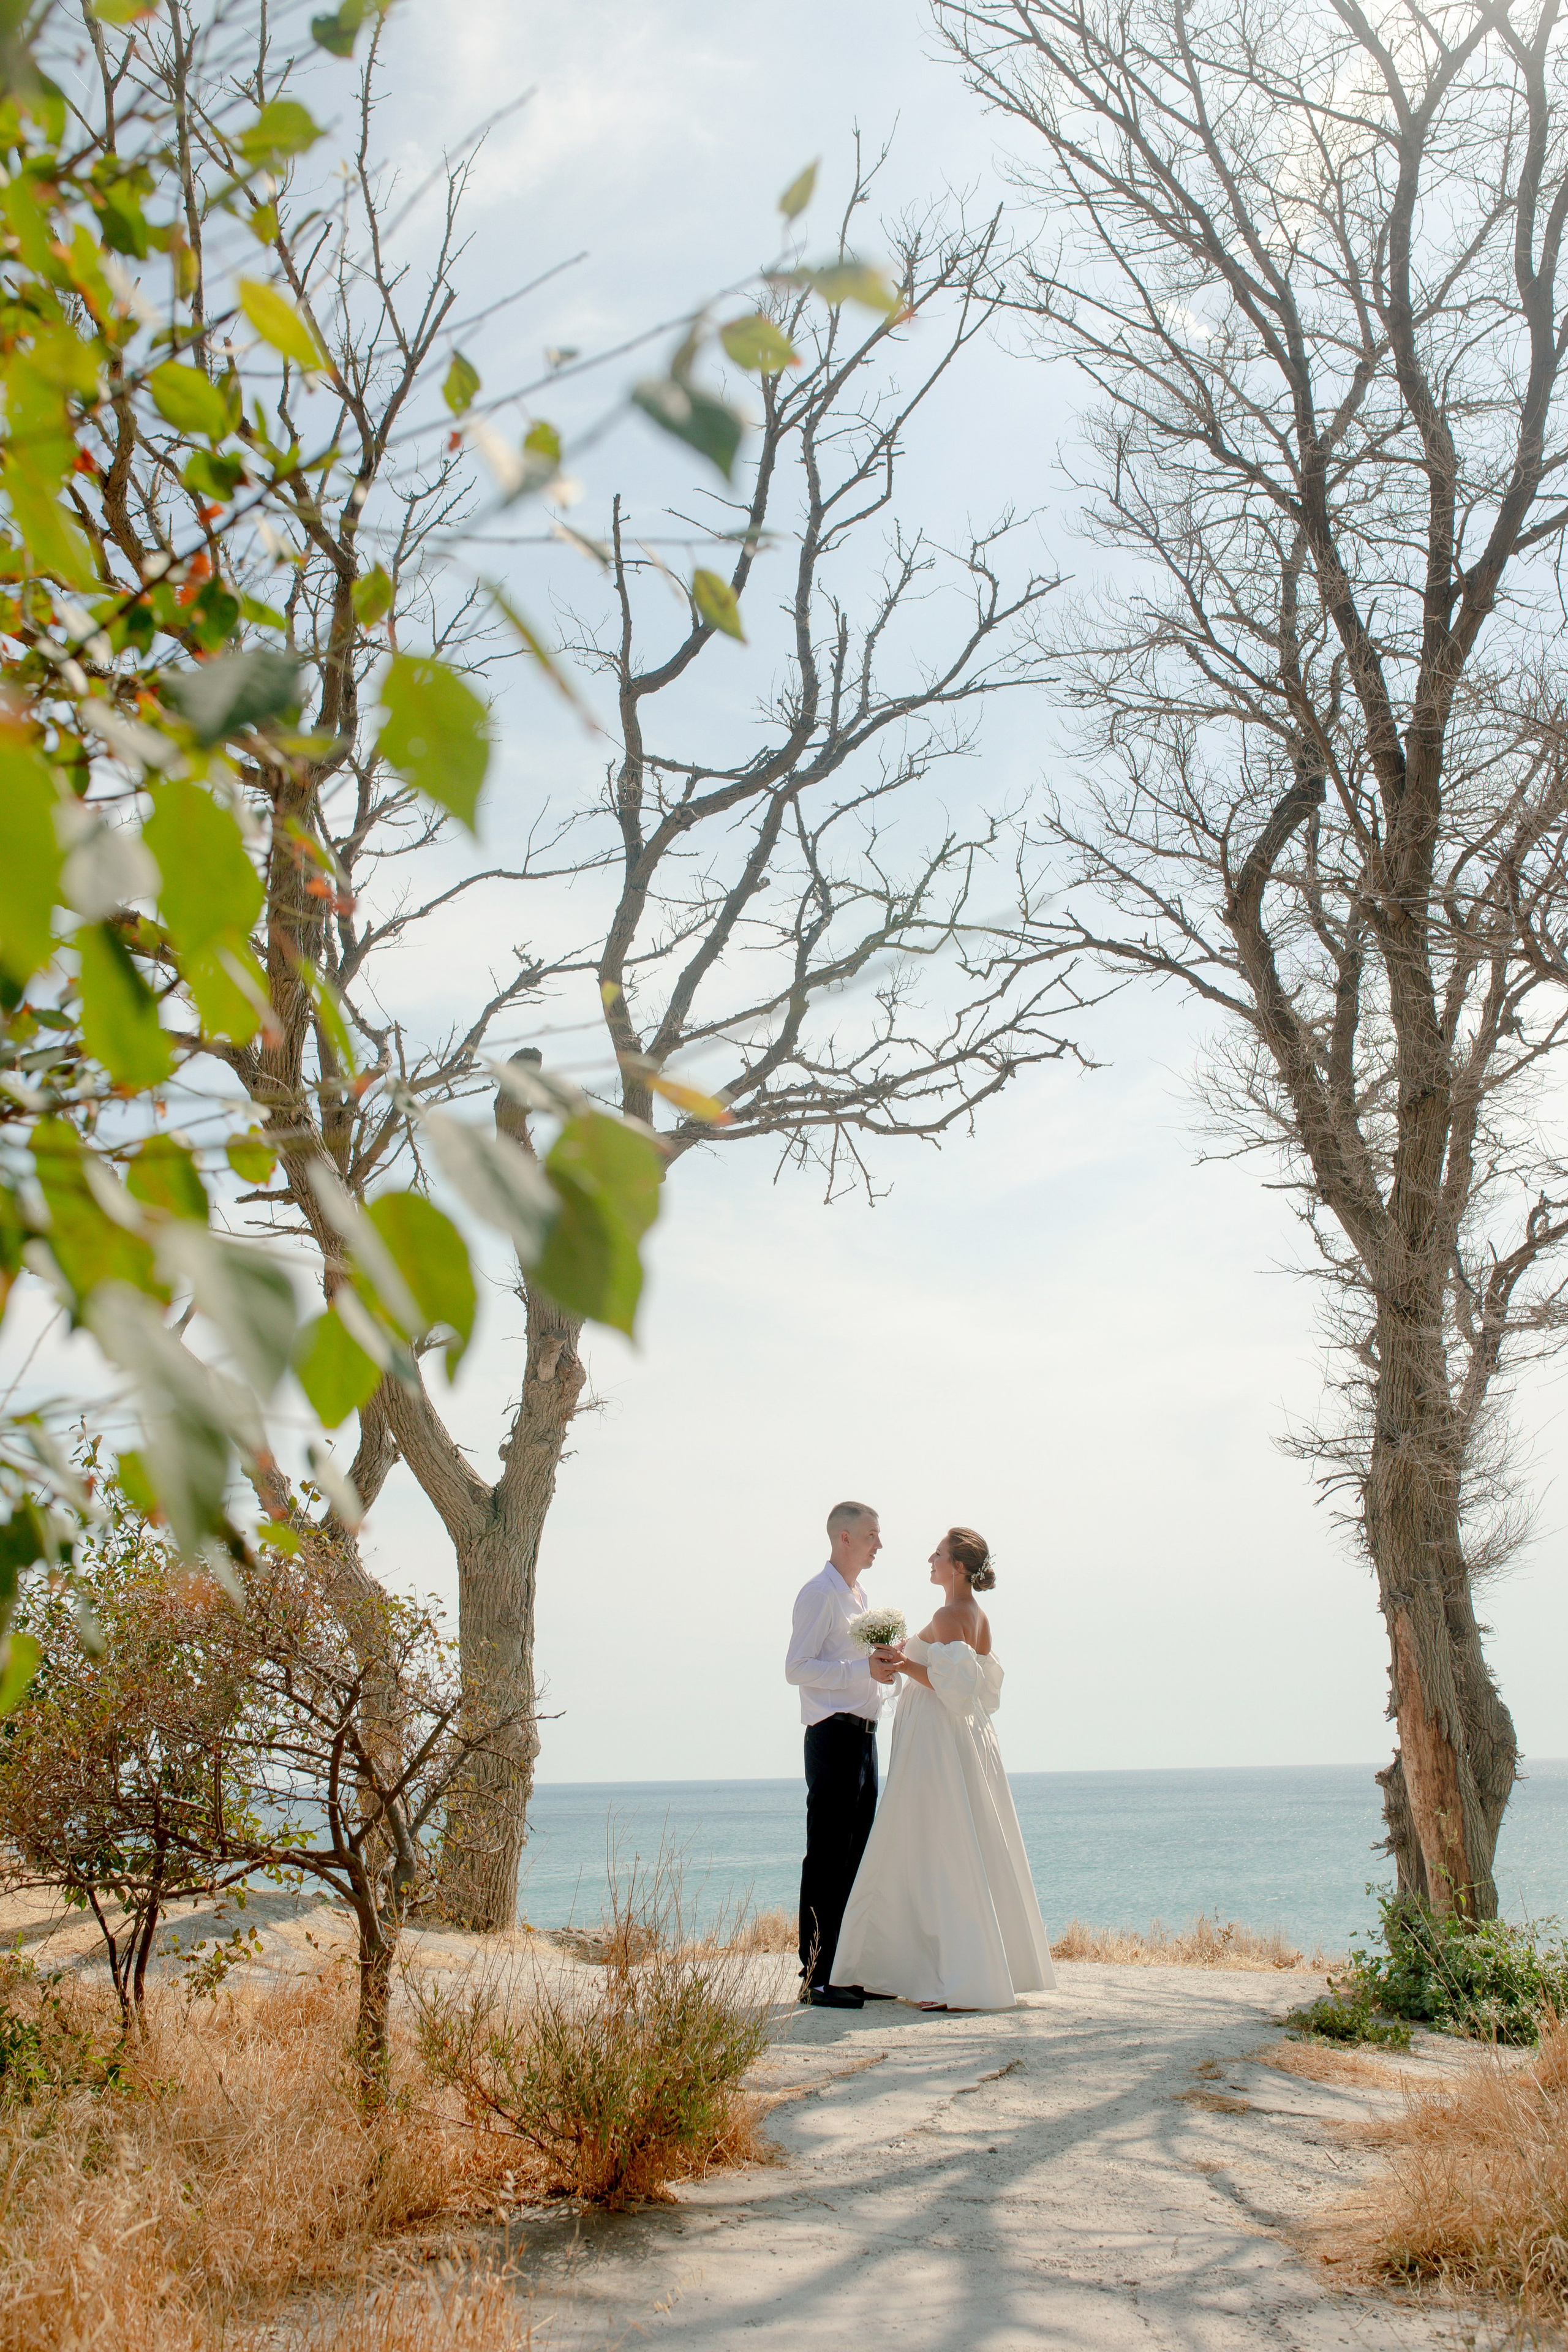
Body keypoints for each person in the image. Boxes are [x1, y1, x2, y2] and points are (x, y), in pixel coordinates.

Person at [831, 1526, 1056, 2011]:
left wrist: (899, 1661)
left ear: (958, 1567)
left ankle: (948, 1973)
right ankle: (943, 1965)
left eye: (938, 1555)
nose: (929, 1560)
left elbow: (949, 1685)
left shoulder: (951, 1613)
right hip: (962, 1736)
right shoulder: (977, 1615)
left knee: (938, 1842)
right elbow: (978, 1687)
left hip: (937, 1738)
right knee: (959, 1839)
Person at [785, 1499, 900, 2010]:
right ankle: (815, 1977)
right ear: (845, 1538)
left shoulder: (861, 1596)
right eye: (873, 1534)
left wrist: (886, 1675)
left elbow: (862, 1670)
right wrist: (862, 1673)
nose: (881, 1544)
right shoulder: (819, 1594)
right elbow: (798, 1668)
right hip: (832, 1736)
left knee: (857, 1857)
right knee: (828, 1857)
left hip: (866, 1736)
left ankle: (847, 1969)